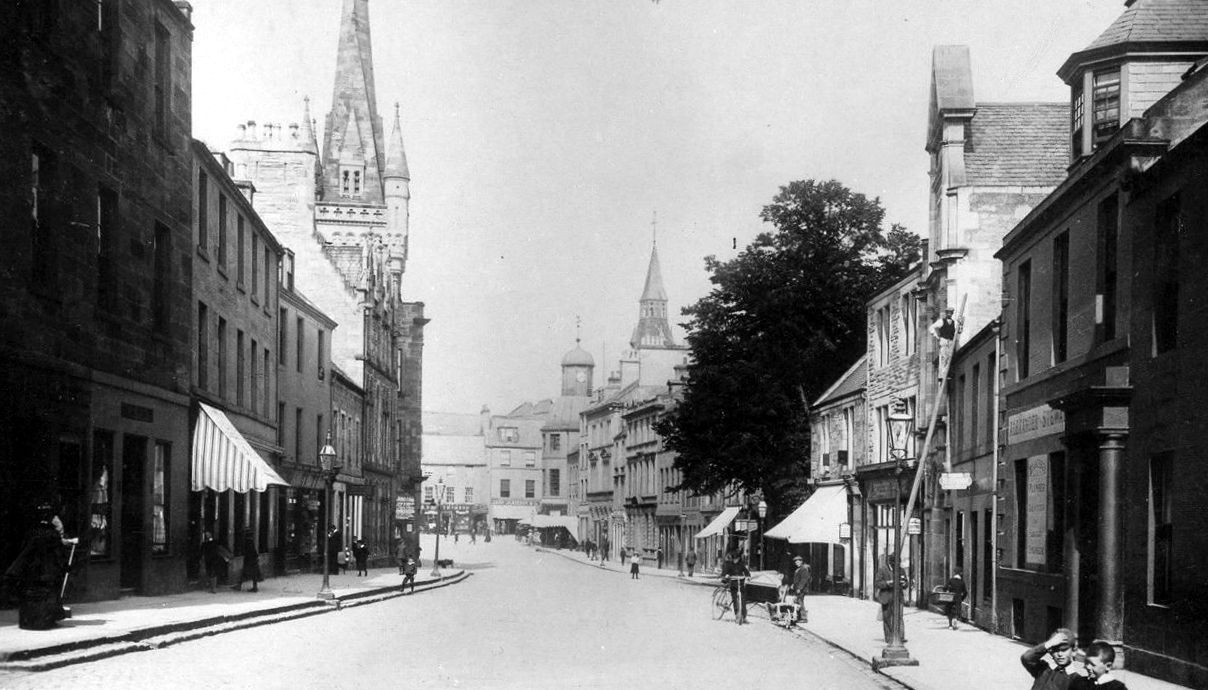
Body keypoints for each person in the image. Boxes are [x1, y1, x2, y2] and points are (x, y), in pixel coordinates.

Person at [3, 503, 70, 629]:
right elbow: (59, 553)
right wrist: (64, 565)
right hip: (48, 571)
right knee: (48, 595)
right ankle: (46, 620)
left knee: (31, 594)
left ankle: (28, 621)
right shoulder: (53, 535)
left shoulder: (31, 533)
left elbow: (24, 550)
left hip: (32, 570)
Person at [874, 555, 905, 643]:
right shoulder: (882, 570)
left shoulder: (901, 570)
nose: (897, 566)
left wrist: (904, 583)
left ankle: (900, 637)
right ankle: (888, 637)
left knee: (899, 617)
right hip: (886, 597)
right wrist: (887, 583)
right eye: (895, 563)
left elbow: (905, 582)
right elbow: (877, 583)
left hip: (898, 597)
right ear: (890, 562)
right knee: (887, 617)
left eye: (898, 563)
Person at [720, 551, 750, 623]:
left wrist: (748, 576)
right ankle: (737, 615)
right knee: (735, 600)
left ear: (739, 558)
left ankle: (744, 616)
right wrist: (726, 575)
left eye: (736, 559)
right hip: (733, 584)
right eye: (734, 559)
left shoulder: (741, 565)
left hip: (740, 584)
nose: (735, 560)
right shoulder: (729, 565)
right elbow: (725, 572)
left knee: (743, 600)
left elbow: (746, 571)